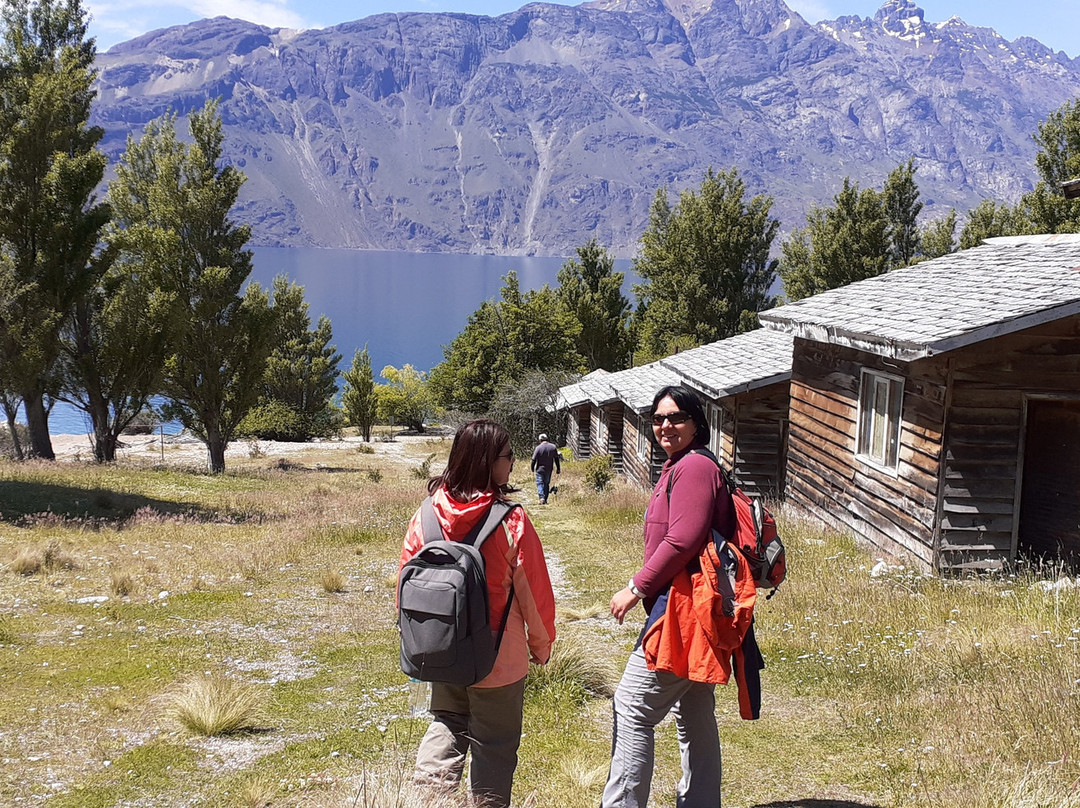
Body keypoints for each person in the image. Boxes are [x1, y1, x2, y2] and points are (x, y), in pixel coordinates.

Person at [399, 418, 557, 808]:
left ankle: (426, 801)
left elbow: (407, 579)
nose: (513, 462)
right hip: (497, 658)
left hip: (441, 649)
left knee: (448, 723)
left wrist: (420, 640)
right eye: (508, 455)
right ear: (489, 462)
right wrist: (542, 646)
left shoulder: (425, 515)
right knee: (495, 745)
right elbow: (533, 595)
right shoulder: (511, 520)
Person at [601, 385, 735, 808]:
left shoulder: (695, 468)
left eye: (676, 417)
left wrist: (636, 586)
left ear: (697, 423)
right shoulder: (681, 465)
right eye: (658, 418)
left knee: (632, 706)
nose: (665, 425)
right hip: (689, 605)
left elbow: (683, 540)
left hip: (683, 611)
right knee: (693, 711)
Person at [530, 433, 561, 504]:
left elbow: (534, 459)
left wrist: (532, 467)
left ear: (540, 440)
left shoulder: (538, 448)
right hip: (549, 469)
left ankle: (541, 498)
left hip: (540, 469)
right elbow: (556, 459)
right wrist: (558, 468)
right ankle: (545, 499)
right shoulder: (553, 447)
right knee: (546, 484)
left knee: (540, 483)